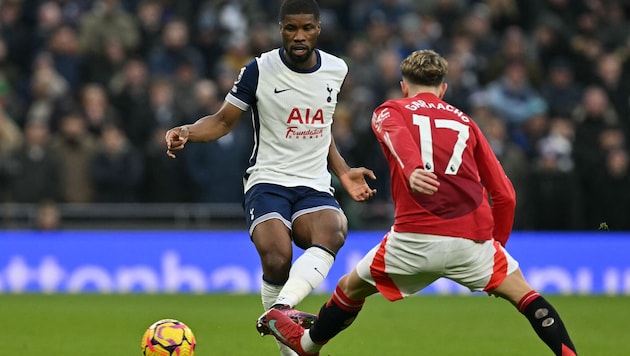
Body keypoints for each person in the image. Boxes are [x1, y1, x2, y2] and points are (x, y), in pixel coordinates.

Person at [261, 49, 578, 356]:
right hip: (473, 240)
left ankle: (307, 345)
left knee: (350, 287)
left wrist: (412, 170)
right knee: (526, 295)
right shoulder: (466, 122)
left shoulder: (389, 110)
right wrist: (497, 246)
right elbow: (505, 193)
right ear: (443, 88)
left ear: (403, 86)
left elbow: (397, 135)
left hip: (414, 239)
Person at [163, 1, 376, 355]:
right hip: (268, 181)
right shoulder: (258, 70)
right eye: (291, 28)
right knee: (277, 258)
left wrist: (343, 172)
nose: (299, 36)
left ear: (318, 29)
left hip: (313, 184)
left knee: (334, 229)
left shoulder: (336, 70)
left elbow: (321, 128)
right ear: (281, 29)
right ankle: (286, 339)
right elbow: (222, 121)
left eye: (306, 28)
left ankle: (280, 309)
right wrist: (187, 130)